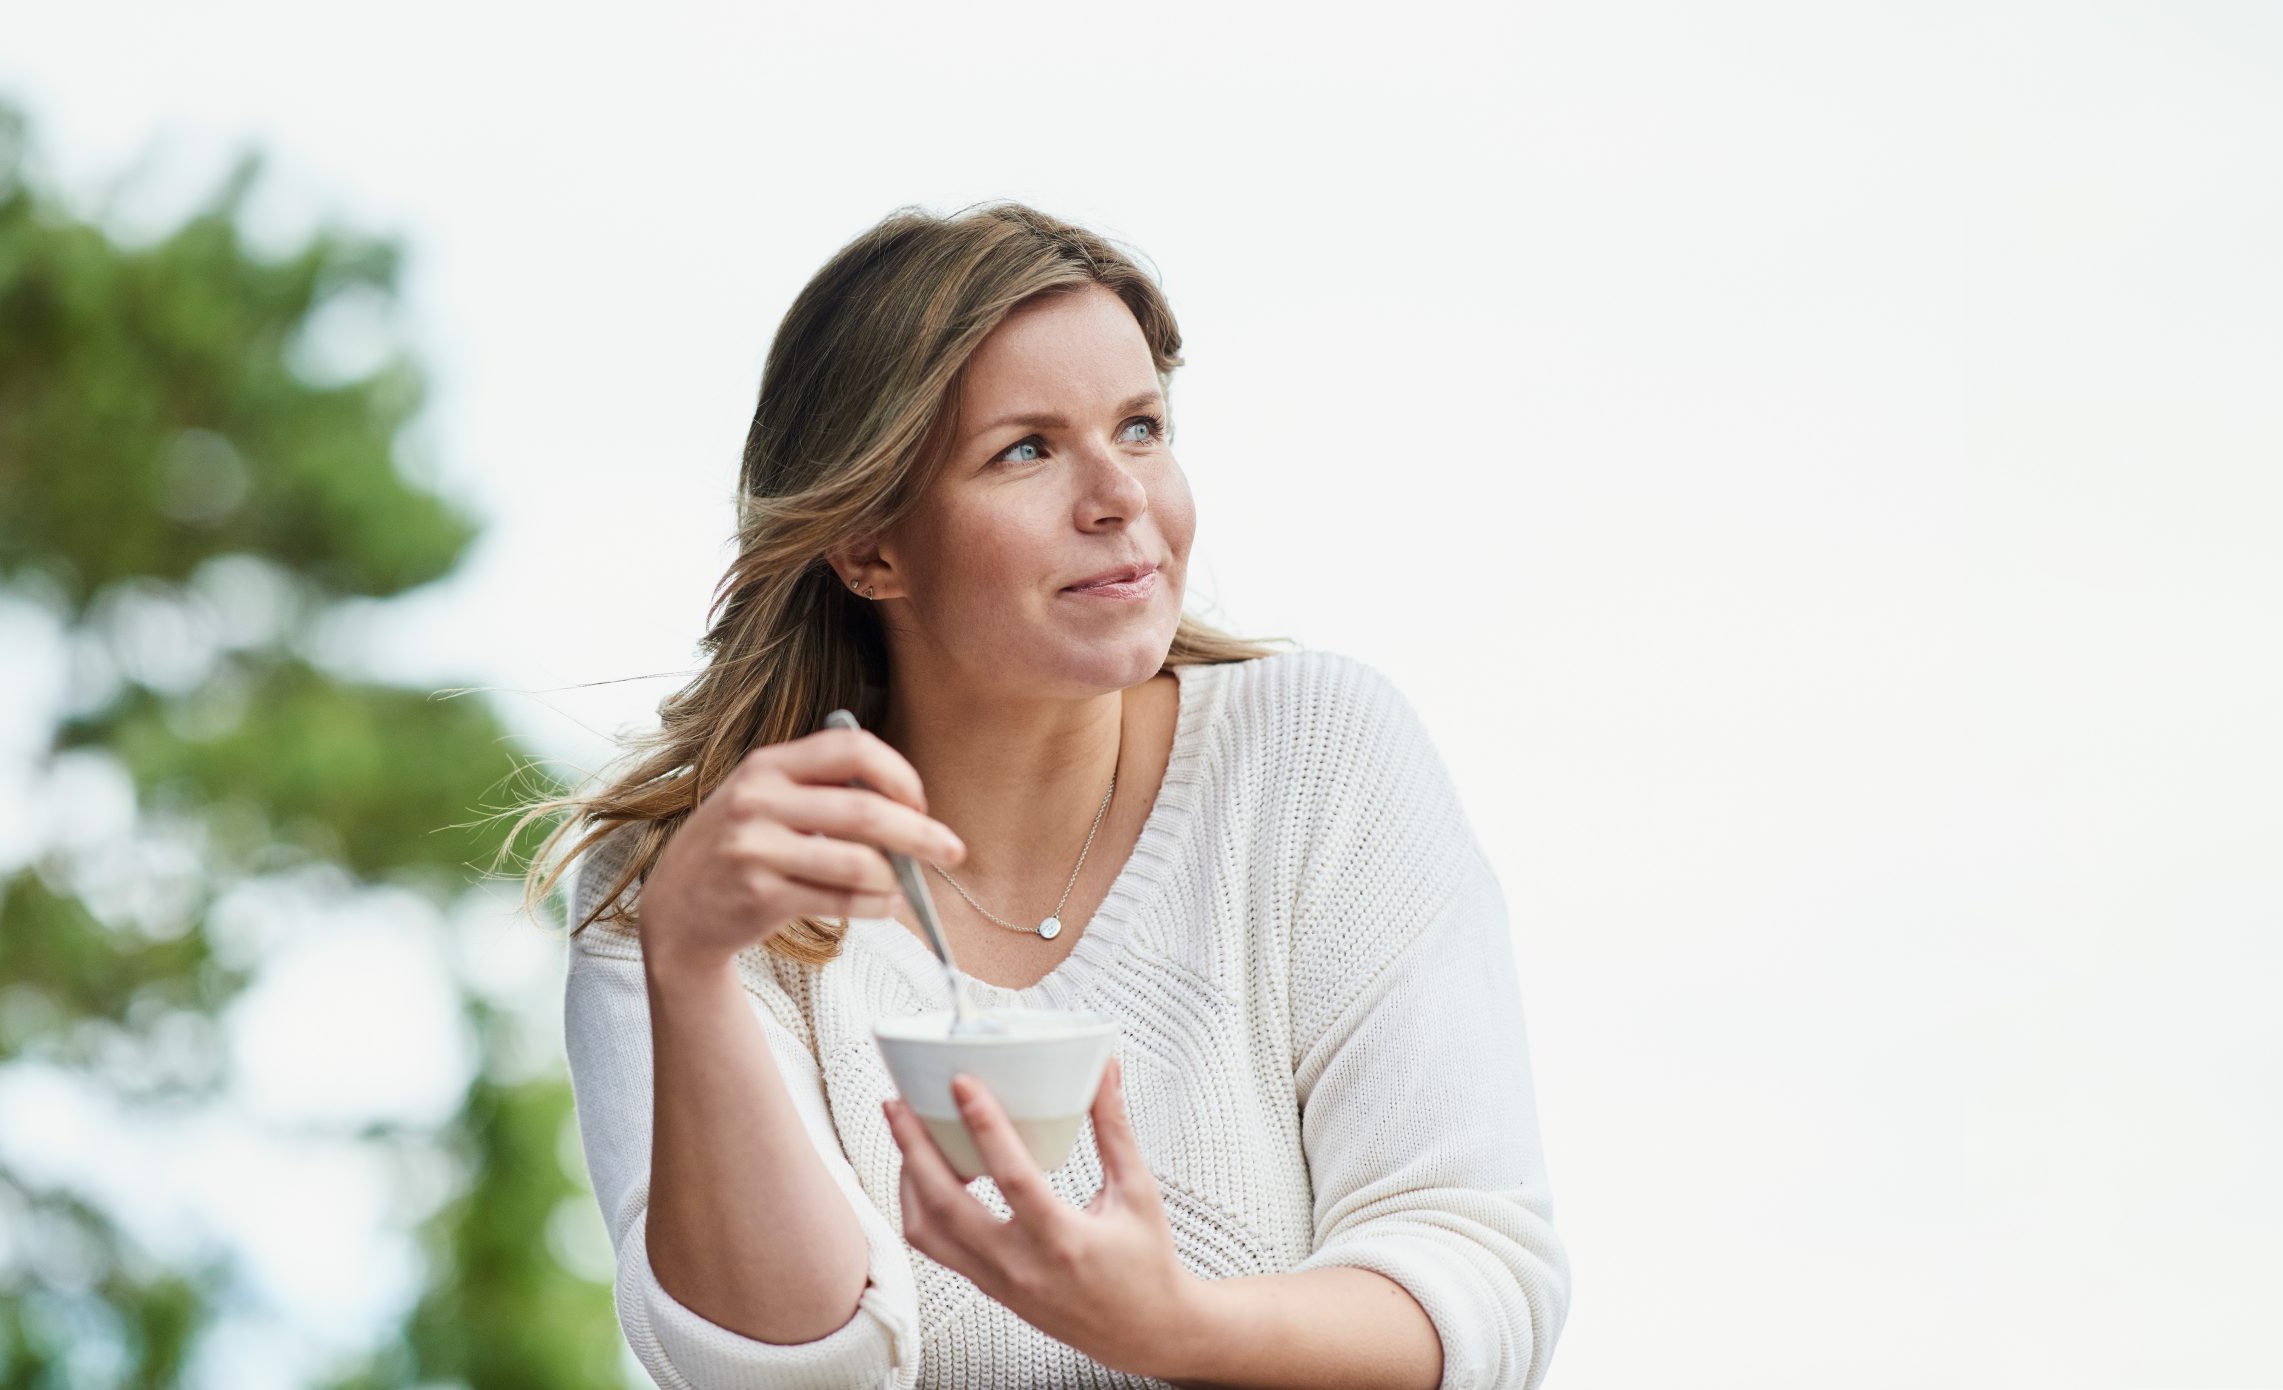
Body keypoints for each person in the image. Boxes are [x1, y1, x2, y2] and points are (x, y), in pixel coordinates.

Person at [510, 200, 1570, 1390]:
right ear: (869, 545)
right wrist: (689, 968)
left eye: (1140, 427)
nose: (1119, 495)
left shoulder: (1318, 754)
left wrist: (1171, 1326)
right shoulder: (695, 889)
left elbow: (1477, 1281)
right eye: (1027, 449)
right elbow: (783, 1376)